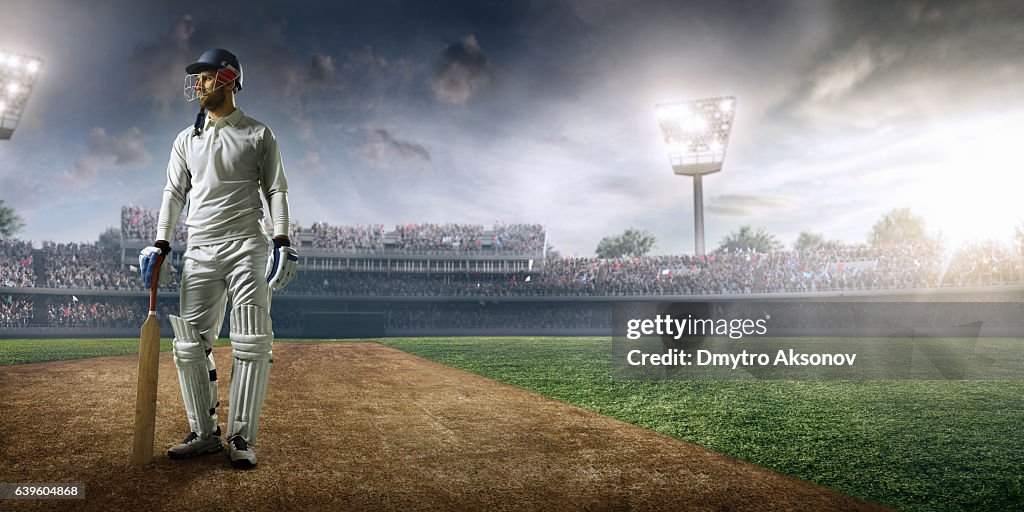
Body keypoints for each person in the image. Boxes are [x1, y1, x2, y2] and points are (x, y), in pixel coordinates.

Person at [139, 48, 298, 469]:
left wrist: (280, 239)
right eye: (197, 79)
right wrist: (160, 243)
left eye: (206, 77)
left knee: (250, 340)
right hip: (200, 249)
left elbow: (276, 190)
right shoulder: (185, 138)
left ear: (229, 79)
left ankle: (242, 437)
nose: (198, 85)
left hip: (247, 243)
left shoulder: (259, 134)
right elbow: (173, 193)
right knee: (189, 345)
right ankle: (204, 434)